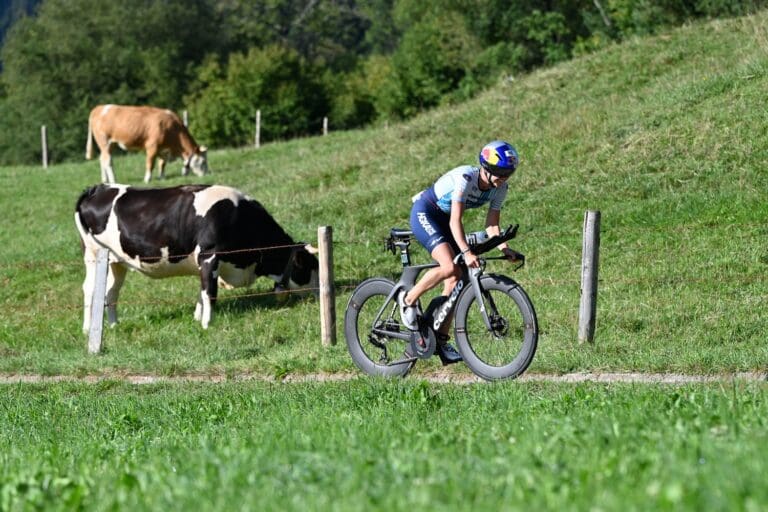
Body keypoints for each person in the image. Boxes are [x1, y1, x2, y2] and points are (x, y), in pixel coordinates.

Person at [399, 140, 524, 365]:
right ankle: (408, 300)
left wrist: (505, 248)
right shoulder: (466, 178)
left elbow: (492, 225)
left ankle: (440, 339)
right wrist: (466, 252)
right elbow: (456, 220)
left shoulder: (500, 188)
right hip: (426, 213)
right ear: (486, 168)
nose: (503, 178)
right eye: (499, 172)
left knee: (458, 280)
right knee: (448, 266)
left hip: (445, 221)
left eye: (508, 174)